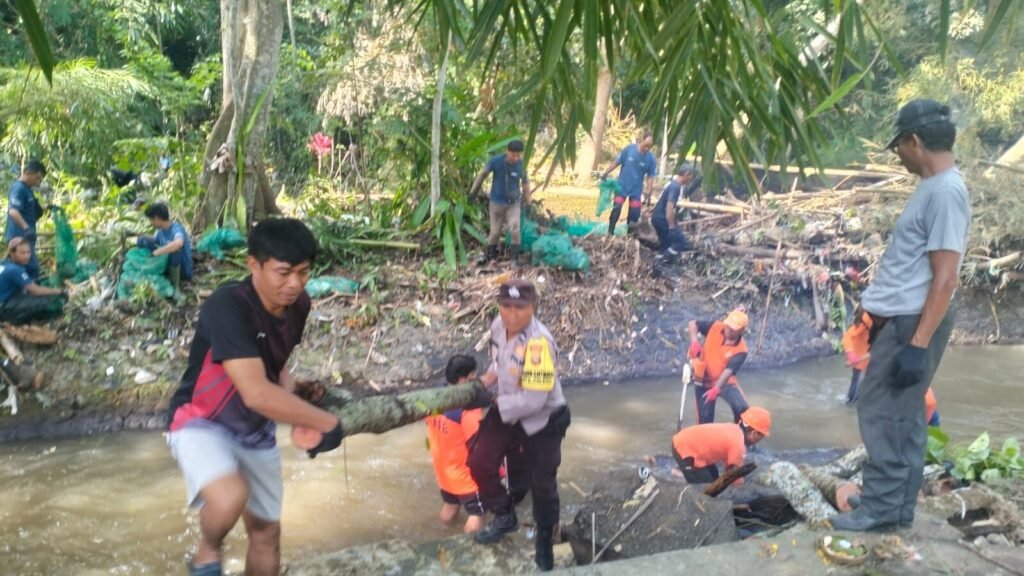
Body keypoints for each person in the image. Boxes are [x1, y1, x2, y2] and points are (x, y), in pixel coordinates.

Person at [166, 218, 344, 576]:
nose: (294, 284)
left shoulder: (299, 306)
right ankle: (207, 549)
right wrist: (326, 423)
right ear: (253, 265)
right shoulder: (227, 305)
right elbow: (255, 392)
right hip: (201, 420)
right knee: (230, 496)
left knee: (267, 532)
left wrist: (295, 397)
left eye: (304, 272)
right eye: (284, 273)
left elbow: (274, 366)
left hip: (255, 427)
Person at [830, 100, 970, 533]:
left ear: (915, 140)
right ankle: (896, 508)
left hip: (914, 323)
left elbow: (945, 277)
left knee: (880, 411)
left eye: (899, 147)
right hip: (903, 319)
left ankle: (879, 508)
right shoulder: (934, 188)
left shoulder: (946, 191)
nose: (898, 156)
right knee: (905, 416)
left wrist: (917, 344)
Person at [467, 279, 570, 571]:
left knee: (543, 484)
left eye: (520, 307)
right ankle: (504, 514)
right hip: (508, 403)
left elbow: (535, 400)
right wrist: (487, 379)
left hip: (541, 417)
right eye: (506, 306)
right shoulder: (497, 325)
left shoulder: (539, 343)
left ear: (533, 307)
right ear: (499, 306)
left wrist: (497, 402)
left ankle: (544, 541)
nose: (512, 314)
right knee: (479, 461)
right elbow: (499, 361)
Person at [425, 355, 485, 533]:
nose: (475, 379)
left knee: (450, 506)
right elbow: (477, 445)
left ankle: (440, 536)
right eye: (473, 375)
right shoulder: (468, 408)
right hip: (466, 476)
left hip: (443, 471)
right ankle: (468, 547)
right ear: (462, 379)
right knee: (476, 513)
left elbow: (427, 423)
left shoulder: (433, 397)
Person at [671, 406, 771, 484]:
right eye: (761, 436)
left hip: (683, 441)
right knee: (706, 488)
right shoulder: (738, 446)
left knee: (714, 477)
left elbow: (729, 466)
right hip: (683, 450)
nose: (760, 440)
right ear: (754, 433)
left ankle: (683, 472)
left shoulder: (733, 429)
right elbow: (734, 476)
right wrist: (741, 488)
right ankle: (680, 474)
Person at [470, 140, 532, 265]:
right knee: (495, 231)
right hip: (496, 203)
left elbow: (525, 184)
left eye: (518, 155)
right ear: (507, 151)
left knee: (515, 228)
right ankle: (491, 256)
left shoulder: (521, 165)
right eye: (513, 155)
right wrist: (473, 193)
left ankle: (514, 259)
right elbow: (482, 175)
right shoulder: (496, 161)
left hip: (513, 204)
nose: (516, 158)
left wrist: (529, 201)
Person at [687, 308, 750, 424]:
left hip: (725, 382)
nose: (728, 330)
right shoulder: (715, 327)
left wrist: (716, 389)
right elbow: (692, 324)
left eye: (733, 329)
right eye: (727, 326)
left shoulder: (741, 350)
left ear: (741, 330)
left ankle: (741, 436)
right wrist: (694, 342)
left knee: (744, 412)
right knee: (704, 423)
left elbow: (728, 372)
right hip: (703, 380)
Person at [600, 132, 658, 234]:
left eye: (650, 147)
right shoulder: (629, 150)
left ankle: (630, 235)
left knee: (634, 214)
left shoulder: (651, 159)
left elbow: (650, 176)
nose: (647, 149)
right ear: (641, 141)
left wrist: (649, 192)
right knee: (616, 209)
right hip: (622, 187)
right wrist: (606, 173)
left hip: (636, 190)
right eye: (646, 146)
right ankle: (610, 232)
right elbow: (617, 162)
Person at [0, 237, 66, 324]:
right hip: (3, 306)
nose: (27, 256)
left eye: (28, 252)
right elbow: (36, 291)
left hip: (5, 300)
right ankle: (14, 321)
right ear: (12, 253)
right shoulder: (15, 269)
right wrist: (60, 291)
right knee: (46, 302)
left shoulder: (3, 263)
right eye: (22, 253)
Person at [137, 202, 194, 293]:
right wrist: (143, 237)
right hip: (167, 262)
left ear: (157, 218)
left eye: (151, 219)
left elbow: (178, 243)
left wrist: (158, 252)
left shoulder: (176, 229)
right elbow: (155, 242)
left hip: (182, 269)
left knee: (175, 250)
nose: (150, 222)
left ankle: (176, 287)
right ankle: (152, 270)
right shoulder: (160, 231)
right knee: (142, 240)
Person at [5, 159, 47, 279]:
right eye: (37, 178)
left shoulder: (27, 189)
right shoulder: (19, 189)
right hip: (19, 237)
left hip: (26, 237)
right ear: (28, 173)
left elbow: (28, 208)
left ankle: (24, 293)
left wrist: (47, 207)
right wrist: (26, 227)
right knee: (31, 268)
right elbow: (13, 211)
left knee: (25, 269)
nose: (38, 181)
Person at [651, 162, 699, 260]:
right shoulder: (675, 187)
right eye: (690, 177)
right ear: (686, 174)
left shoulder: (673, 184)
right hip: (662, 219)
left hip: (657, 218)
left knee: (666, 245)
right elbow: (669, 208)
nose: (690, 180)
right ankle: (662, 260)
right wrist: (672, 227)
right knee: (680, 242)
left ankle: (661, 260)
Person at [842, 306, 872, 404]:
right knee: (856, 392)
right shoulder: (866, 320)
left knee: (858, 386)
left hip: (864, 359)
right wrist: (851, 356)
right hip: (860, 360)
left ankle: (850, 403)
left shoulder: (870, 318)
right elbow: (848, 336)